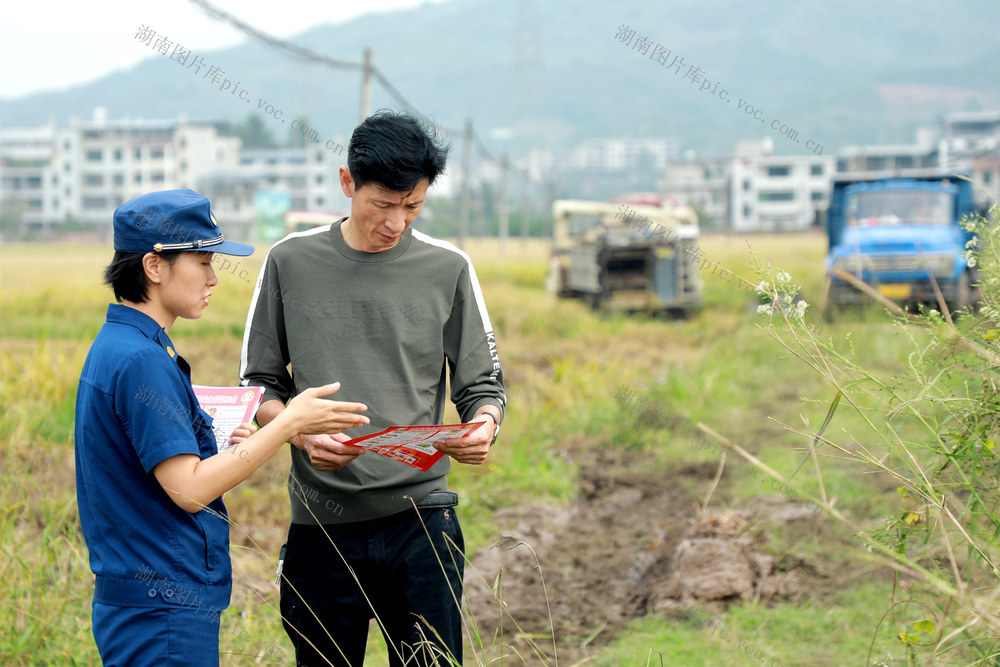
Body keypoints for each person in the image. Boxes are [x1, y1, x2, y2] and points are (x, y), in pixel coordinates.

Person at [239, 110, 507, 666]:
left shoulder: (447, 267)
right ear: (348, 183)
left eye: (413, 206)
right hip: (322, 523)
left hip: (423, 523)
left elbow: (484, 384)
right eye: (383, 204)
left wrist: (484, 424)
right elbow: (259, 383)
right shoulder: (290, 262)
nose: (396, 222)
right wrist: (296, 433)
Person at [74, 189, 370, 666]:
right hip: (163, 608)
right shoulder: (142, 361)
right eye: (203, 262)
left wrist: (224, 448)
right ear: (154, 266)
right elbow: (189, 491)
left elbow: (164, 471)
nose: (213, 278)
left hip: (149, 599)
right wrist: (288, 422)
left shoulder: (123, 346)